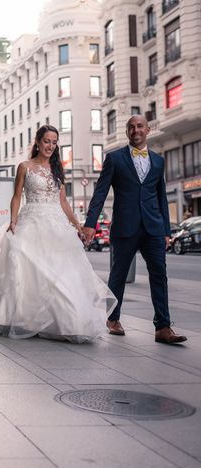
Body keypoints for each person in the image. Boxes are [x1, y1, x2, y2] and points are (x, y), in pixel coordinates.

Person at [0, 125, 116, 343]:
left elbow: (63, 201)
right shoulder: (24, 167)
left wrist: (77, 224)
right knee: (29, 272)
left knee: (61, 273)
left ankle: (68, 320)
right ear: (38, 142)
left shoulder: (58, 169)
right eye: (47, 141)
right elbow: (17, 196)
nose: (50, 146)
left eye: (54, 142)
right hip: (32, 222)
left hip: (56, 224)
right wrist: (13, 220)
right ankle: (26, 319)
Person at [84, 115, 186, 344]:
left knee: (159, 275)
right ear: (127, 132)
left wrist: (167, 230)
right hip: (125, 227)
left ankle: (163, 327)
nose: (135, 130)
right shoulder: (114, 159)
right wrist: (90, 223)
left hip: (153, 228)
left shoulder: (158, 161)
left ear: (147, 130)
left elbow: (160, 196)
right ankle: (113, 319)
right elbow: (100, 193)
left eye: (140, 126)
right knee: (118, 275)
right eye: (131, 127)